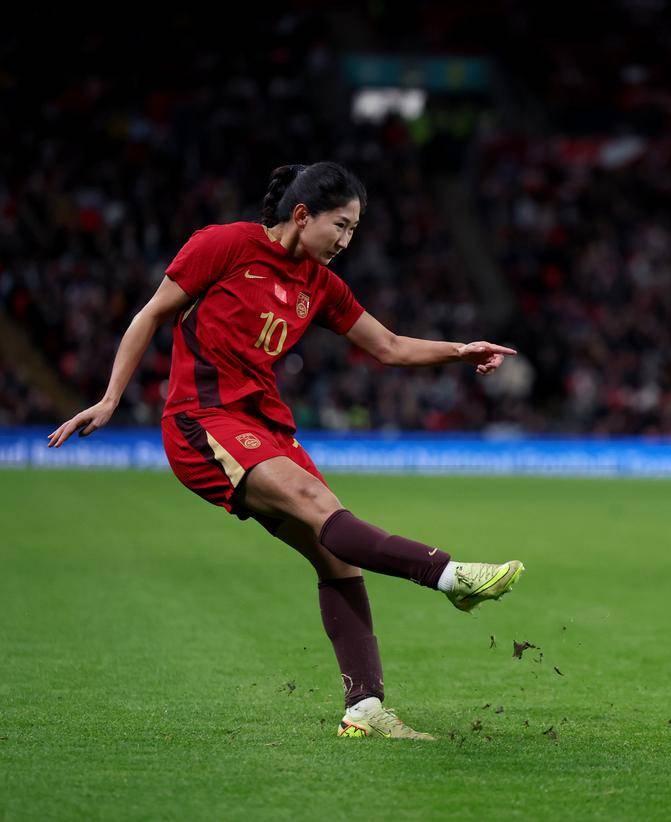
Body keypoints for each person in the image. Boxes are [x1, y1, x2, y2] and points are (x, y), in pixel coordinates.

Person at [48, 162, 526, 741]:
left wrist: (460, 350)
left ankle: (365, 708)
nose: (346, 241)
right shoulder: (225, 245)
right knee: (318, 505)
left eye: (354, 230)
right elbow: (152, 313)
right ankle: (449, 575)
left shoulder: (320, 284)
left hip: (267, 427)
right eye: (340, 225)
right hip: (203, 421)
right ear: (302, 215)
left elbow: (390, 346)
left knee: (337, 557)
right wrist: (110, 398)